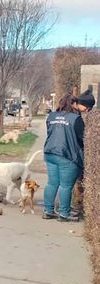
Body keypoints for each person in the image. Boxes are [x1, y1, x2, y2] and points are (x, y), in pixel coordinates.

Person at [42, 90, 94, 222]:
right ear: (74, 104)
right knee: (66, 186)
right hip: (67, 155)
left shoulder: (51, 116)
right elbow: (82, 138)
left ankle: (48, 211)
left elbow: (50, 132)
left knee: (52, 183)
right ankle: (64, 214)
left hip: (50, 153)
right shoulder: (76, 119)